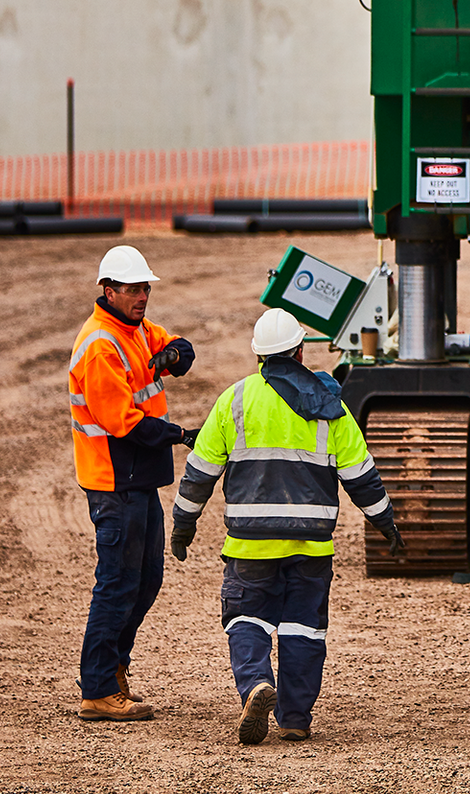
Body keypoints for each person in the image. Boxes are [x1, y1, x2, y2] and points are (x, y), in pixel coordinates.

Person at [171, 307, 404, 745]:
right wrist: (385, 523)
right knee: (304, 629)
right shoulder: (328, 404)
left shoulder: (235, 400)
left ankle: (257, 684)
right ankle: (295, 717)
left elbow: (199, 472)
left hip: (249, 545)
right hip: (310, 546)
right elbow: (361, 476)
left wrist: (184, 523)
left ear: (259, 355)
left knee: (245, 616)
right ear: (300, 350)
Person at [68, 243, 199, 723]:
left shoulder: (136, 330)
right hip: (113, 477)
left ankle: (113, 669)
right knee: (118, 583)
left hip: (137, 477)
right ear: (108, 291)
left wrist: (177, 353)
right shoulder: (101, 345)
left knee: (146, 579)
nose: (142, 296)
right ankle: (99, 687)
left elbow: (175, 345)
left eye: (145, 287)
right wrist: (182, 435)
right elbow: (125, 423)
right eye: (132, 289)